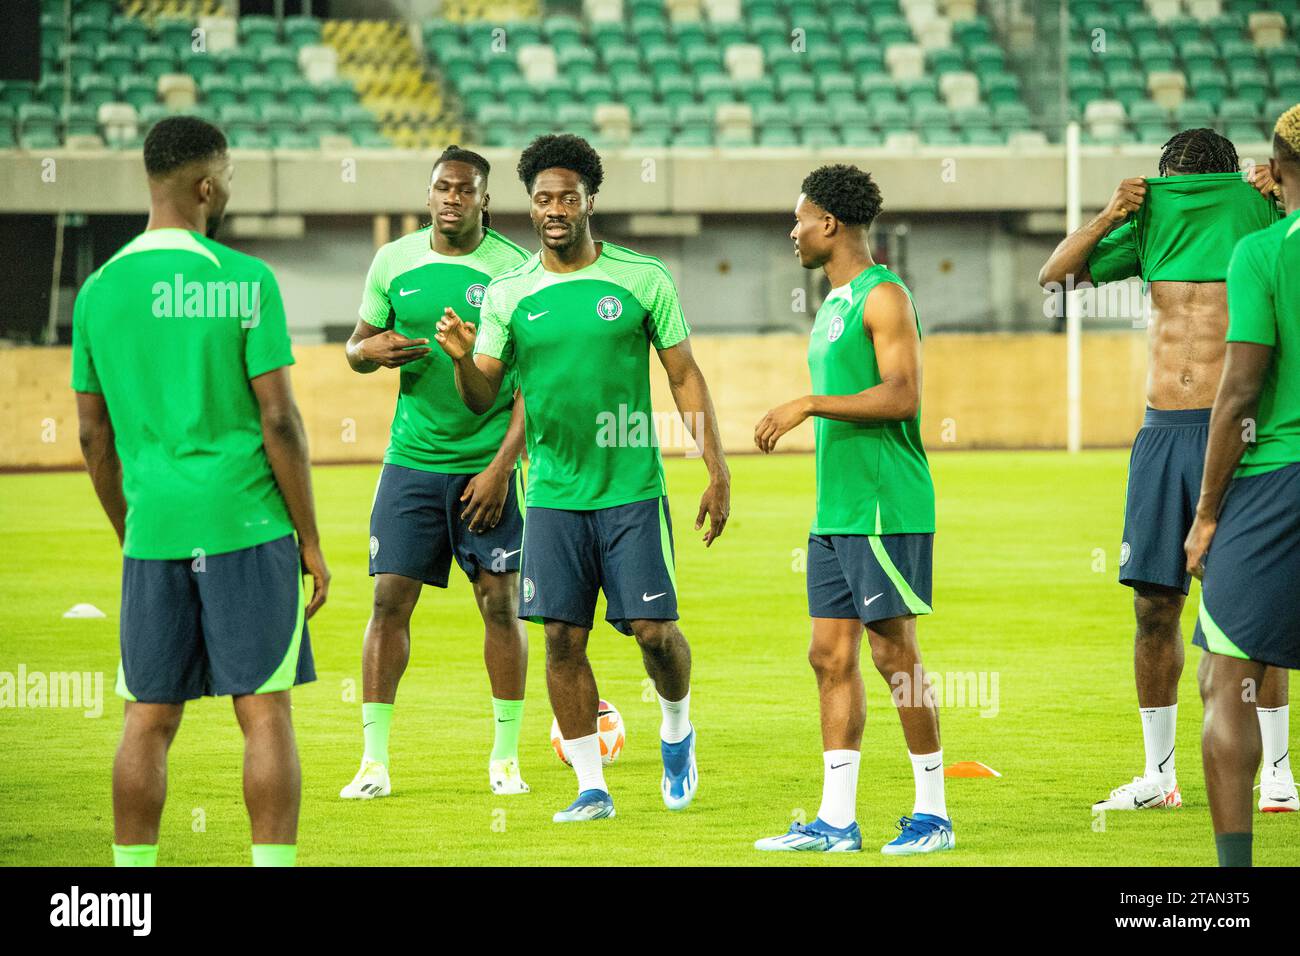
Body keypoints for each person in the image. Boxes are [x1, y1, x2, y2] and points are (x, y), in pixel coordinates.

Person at [433, 134, 731, 822]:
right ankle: (591, 787)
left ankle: (677, 728)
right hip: (554, 497)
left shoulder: (643, 277)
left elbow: (683, 374)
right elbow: (482, 394)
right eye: (543, 199)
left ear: (590, 200)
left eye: (568, 196)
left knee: (656, 633)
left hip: (631, 490)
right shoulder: (509, 293)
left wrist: (714, 465)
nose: (555, 209)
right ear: (529, 208)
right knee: (563, 640)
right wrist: (457, 359)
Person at [71, 116, 327, 867]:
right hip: (246, 525)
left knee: (146, 718)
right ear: (207, 185)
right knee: (265, 712)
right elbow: (279, 419)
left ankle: (130, 884)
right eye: (231, 175)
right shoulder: (245, 280)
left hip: (154, 530)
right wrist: (309, 539)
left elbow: (92, 437)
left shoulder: (97, 291)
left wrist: (133, 525)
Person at [1037, 129, 1293, 813]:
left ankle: (1278, 775)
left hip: (1241, 434)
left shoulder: (1266, 217)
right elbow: (1054, 278)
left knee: (1250, 612)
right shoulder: (1147, 225)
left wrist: (1285, 198)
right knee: (1153, 607)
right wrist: (1108, 214)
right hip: (1162, 432)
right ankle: (1158, 776)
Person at [752, 164, 952, 855]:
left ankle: (934, 814)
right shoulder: (835, 302)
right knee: (827, 655)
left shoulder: (884, 295)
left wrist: (806, 404)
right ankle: (837, 822)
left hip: (881, 507)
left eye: (800, 218)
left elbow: (902, 397)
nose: (793, 231)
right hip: (835, 511)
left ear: (829, 224)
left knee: (894, 653)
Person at [340, 146, 532, 799]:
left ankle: (505, 759)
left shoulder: (514, 269)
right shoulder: (394, 262)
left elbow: (535, 385)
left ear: (485, 199)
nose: (452, 198)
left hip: (487, 467)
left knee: (499, 605)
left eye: (465, 189)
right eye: (442, 188)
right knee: (388, 600)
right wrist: (369, 352)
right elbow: (354, 346)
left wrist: (504, 467)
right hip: (412, 462)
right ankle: (373, 763)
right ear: (430, 194)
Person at [1185, 104, 1300, 866]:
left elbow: (1239, 392)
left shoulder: (1261, 253)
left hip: (1275, 484)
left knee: (1228, 679)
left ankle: (1235, 885)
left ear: (1279, 174)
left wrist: (1205, 515)